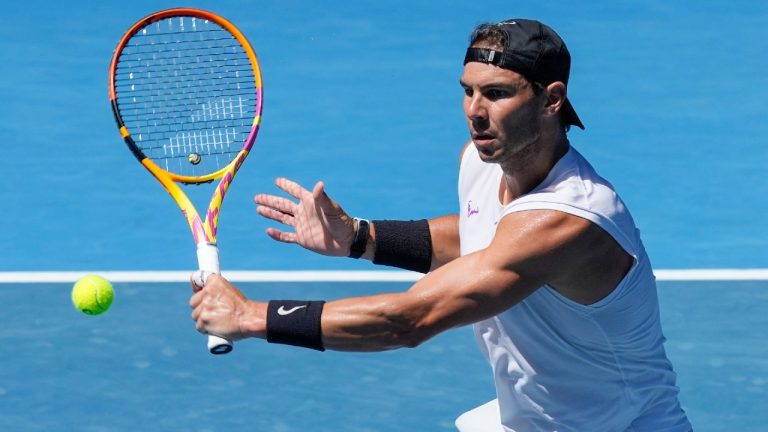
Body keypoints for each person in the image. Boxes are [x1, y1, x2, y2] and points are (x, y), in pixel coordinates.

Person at [190, 18, 692, 431]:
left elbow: (408, 321)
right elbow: (481, 236)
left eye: (497, 93)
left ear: (550, 99)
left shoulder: (567, 219)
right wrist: (361, 237)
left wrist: (252, 317)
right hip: (537, 420)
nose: (475, 112)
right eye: (468, 92)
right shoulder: (481, 163)